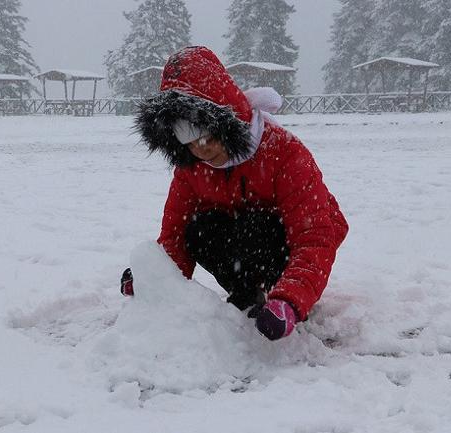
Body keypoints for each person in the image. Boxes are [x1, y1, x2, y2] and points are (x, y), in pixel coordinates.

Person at [121, 46, 348, 341]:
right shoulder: (191, 169)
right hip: (241, 240)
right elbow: (175, 235)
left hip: (290, 241)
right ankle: (247, 295)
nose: (200, 148)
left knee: (257, 226)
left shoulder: (285, 153)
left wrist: (291, 299)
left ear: (225, 123)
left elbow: (314, 237)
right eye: (186, 137)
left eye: (207, 134)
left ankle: (280, 295)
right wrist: (155, 280)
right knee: (199, 229)